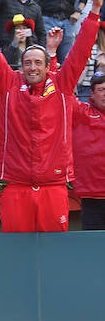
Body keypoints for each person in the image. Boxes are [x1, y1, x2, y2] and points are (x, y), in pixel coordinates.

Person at [0, 0, 105, 232]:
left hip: (53, 186)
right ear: (20, 66)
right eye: (27, 63)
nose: (32, 68)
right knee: (13, 253)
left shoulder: (62, 86)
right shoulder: (9, 84)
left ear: (47, 66)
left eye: (38, 63)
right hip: (17, 187)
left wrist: (93, 13)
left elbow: (81, 52)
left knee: (53, 253)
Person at [72, 73, 105, 230]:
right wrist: (51, 54)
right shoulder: (81, 113)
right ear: (92, 93)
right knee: (92, 248)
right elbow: (62, 94)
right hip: (92, 196)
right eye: (101, 89)